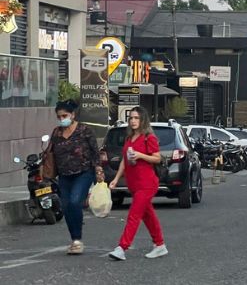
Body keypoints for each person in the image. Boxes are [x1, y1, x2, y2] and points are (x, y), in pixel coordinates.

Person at [44, 100, 102, 255]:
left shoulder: (85, 130)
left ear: (73, 115)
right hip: (64, 175)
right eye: (59, 117)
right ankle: (74, 239)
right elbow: (50, 152)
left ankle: (77, 239)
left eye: (65, 116)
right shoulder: (56, 133)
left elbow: (95, 152)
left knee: (75, 201)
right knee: (66, 206)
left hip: (84, 173)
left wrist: (98, 169)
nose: (62, 119)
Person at [107, 107, 167, 261]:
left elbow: (157, 158)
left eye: (136, 118)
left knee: (134, 215)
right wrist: (116, 178)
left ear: (143, 120)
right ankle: (160, 244)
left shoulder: (149, 137)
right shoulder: (129, 138)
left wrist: (140, 155)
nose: (133, 121)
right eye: (131, 118)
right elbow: (124, 161)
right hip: (133, 183)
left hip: (147, 183)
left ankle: (122, 247)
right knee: (148, 215)